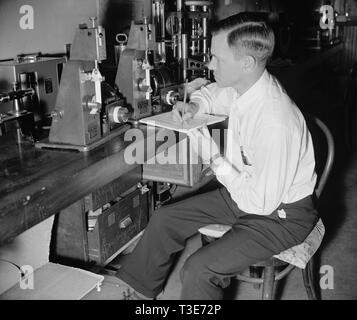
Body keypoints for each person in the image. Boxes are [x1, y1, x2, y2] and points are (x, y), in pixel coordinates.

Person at [116, 12, 318, 300]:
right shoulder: (245, 87)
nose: (210, 65)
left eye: (217, 58)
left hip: (281, 215)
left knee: (199, 269)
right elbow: (211, 95)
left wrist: (214, 158)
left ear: (246, 63)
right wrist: (194, 106)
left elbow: (259, 203)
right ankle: (141, 295)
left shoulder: (275, 121)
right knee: (165, 219)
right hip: (247, 192)